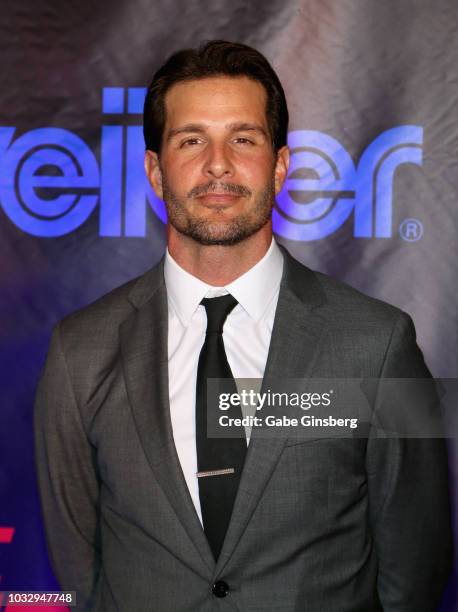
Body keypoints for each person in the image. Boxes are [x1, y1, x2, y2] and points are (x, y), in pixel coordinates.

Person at [34, 40, 452, 611]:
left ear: (280, 166)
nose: (218, 164)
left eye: (243, 138)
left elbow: (414, 570)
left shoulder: (379, 343)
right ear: (156, 172)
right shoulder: (79, 351)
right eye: (191, 140)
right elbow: (79, 575)